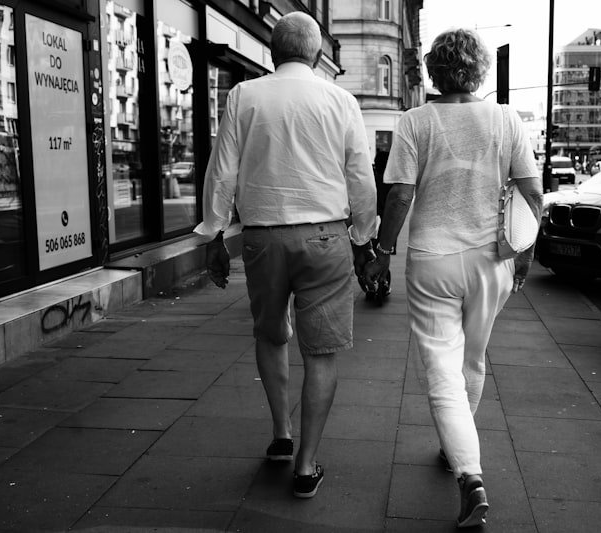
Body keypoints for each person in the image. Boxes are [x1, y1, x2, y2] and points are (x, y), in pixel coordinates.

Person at [363, 28, 542, 528]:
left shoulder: (415, 121)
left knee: (441, 367)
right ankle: (457, 449)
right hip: (491, 259)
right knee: (473, 357)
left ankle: (469, 473)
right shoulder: (507, 119)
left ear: (433, 72)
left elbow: (398, 197)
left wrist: (382, 251)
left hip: (434, 259)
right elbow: (531, 192)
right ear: (480, 69)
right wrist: (524, 254)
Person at [195, 12, 378, 499]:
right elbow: (361, 176)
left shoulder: (244, 97)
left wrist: (214, 234)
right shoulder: (340, 101)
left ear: (273, 53)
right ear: (318, 55)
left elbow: (223, 172)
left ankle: (281, 433)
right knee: (321, 352)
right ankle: (306, 465)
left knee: (271, 333)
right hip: (324, 237)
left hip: (263, 238)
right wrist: (363, 237)